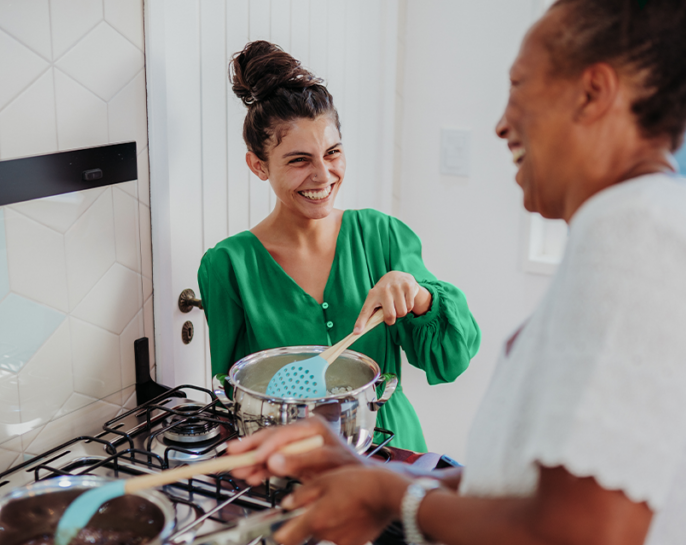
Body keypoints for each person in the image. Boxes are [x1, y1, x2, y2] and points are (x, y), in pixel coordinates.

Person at [225, 0, 686, 545]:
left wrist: (395, 498)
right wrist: (381, 478)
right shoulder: (663, 226)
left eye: (519, 86)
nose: (501, 123)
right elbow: (535, 487)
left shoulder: (638, 241)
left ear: (592, 93)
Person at [198, 41, 481, 453]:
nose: (323, 175)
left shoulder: (381, 235)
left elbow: (451, 358)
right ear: (259, 165)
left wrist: (417, 295)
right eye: (299, 160)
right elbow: (235, 394)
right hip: (295, 459)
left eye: (332, 153)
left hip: (391, 449)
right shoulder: (228, 266)